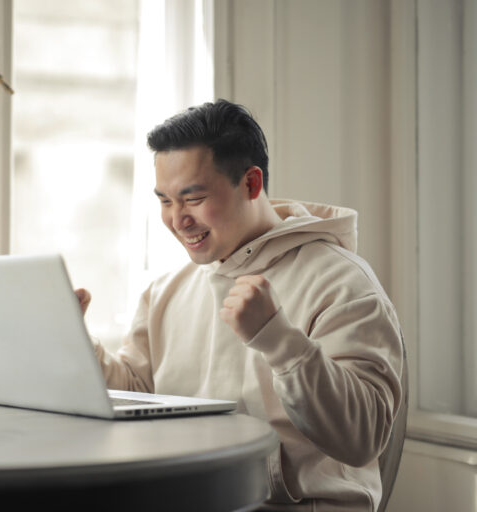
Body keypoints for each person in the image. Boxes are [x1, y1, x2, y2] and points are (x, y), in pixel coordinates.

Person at [76, 99, 404, 511]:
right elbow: (139, 393)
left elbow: (364, 438)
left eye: (192, 199)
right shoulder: (166, 290)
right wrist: (76, 344)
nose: (178, 220)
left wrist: (281, 341)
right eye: (165, 201)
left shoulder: (342, 281)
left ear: (251, 184)